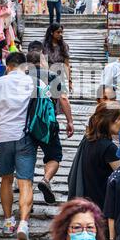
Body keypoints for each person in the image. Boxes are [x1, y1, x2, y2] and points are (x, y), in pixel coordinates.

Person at [0, 52, 37, 240]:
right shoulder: (33, 82)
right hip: (25, 136)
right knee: (25, 182)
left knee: (6, 179)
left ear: (7, 66)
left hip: (3, 136)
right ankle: (23, 222)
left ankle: (8, 221)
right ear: (24, 66)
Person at [26, 47, 74, 204]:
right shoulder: (53, 76)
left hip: (27, 125)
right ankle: (46, 180)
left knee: (27, 160)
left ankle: (27, 199)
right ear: (41, 61)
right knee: (54, 156)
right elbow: (63, 99)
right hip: (48, 125)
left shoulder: (23, 77)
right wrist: (69, 121)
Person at [43, 23, 73, 94]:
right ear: (51, 32)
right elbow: (42, 63)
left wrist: (70, 81)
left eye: (61, 32)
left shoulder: (64, 46)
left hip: (60, 75)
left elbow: (67, 65)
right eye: (58, 32)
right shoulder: (44, 46)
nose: (60, 34)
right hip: (47, 75)